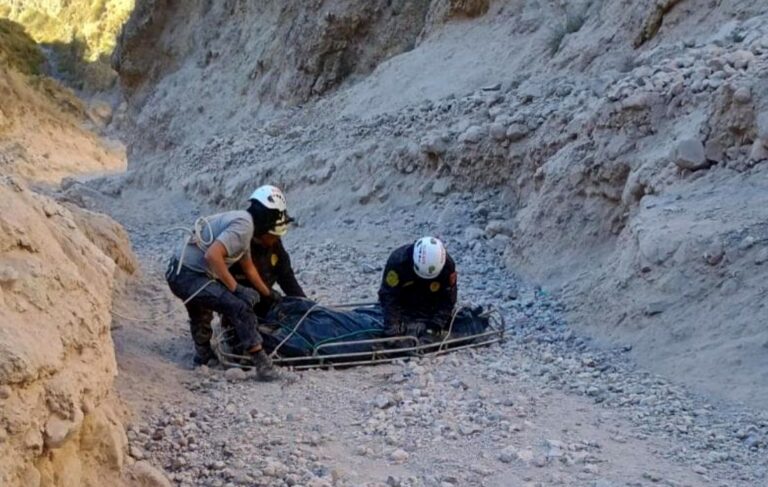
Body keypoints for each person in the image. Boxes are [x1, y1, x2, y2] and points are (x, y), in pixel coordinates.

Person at [165, 185, 291, 381]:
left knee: (201, 308)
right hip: (189, 275)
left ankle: (204, 356)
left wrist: (268, 293)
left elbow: (249, 267)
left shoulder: (243, 224)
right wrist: (237, 289)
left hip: (179, 272)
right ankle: (263, 365)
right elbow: (213, 256)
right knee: (239, 307)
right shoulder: (243, 227)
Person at [378, 236, 458, 339]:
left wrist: (436, 325)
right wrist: (392, 327)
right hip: (403, 301)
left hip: (430, 303)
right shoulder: (398, 262)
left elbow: (448, 297)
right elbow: (388, 294)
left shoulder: (447, 266)